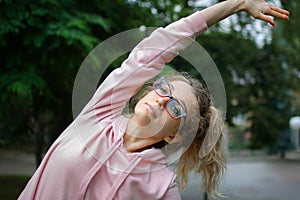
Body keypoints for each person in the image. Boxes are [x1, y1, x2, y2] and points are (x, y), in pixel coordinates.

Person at [18, 0, 289, 199]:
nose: (161, 101)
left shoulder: (160, 187)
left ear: (174, 137)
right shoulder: (98, 115)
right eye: (162, 89)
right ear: (148, 89)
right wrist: (235, 4)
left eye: (175, 107)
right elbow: (155, 49)